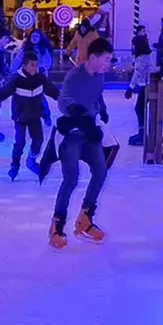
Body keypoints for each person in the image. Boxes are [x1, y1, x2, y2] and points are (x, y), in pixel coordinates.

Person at [48, 38, 114, 248]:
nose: (107, 64)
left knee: (101, 171)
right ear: (92, 57)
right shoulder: (74, 76)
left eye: (109, 60)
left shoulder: (99, 76)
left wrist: (102, 109)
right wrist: (74, 110)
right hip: (72, 133)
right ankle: (57, 225)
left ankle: (85, 219)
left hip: (90, 132)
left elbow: (97, 95)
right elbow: (63, 100)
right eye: (105, 59)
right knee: (71, 179)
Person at [0, 52, 52, 180]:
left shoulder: (39, 78)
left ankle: (31, 161)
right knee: (20, 142)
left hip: (35, 115)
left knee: (38, 139)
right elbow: (4, 92)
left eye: (36, 65)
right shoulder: (16, 79)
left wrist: (61, 102)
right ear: (24, 65)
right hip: (20, 117)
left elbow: (51, 90)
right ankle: (14, 166)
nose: (34, 68)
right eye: (32, 65)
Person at [126, 31, 157, 148]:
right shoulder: (142, 57)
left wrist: (130, 88)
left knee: (139, 109)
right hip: (146, 85)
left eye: (133, 45)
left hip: (147, 86)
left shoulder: (143, 58)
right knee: (140, 109)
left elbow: (137, 73)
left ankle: (142, 134)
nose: (132, 48)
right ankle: (142, 133)